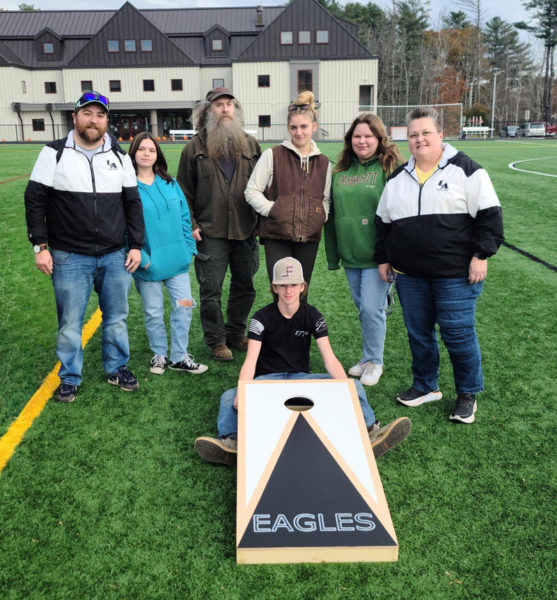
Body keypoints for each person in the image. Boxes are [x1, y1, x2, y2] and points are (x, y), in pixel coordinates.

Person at [194, 257, 411, 465]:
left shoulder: (313, 316)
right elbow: (249, 362)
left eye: (293, 284)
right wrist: (242, 391)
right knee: (228, 397)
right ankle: (232, 444)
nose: (288, 291)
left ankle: (371, 433)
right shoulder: (260, 318)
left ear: (302, 287)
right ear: (274, 288)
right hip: (267, 381)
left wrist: (343, 386)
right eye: (283, 285)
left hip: (302, 380)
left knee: (353, 386)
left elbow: (330, 359)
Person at [375, 106, 504, 424]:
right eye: (414, 134)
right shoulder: (397, 179)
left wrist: (481, 255)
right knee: (418, 334)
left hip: (456, 274)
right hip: (410, 276)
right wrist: (384, 258)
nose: (420, 139)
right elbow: (383, 224)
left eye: (426, 133)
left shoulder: (467, 170)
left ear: (440, 135)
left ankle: (467, 394)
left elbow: (490, 216)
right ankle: (425, 386)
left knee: (458, 333)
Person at [24, 91, 145, 403]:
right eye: (88, 114)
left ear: (106, 121)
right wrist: (40, 245)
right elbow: (35, 200)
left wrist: (136, 246)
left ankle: (118, 368)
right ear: (75, 117)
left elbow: (132, 204)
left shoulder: (119, 156)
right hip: (68, 256)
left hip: (115, 254)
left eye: (100, 115)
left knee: (117, 317)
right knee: (70, 323)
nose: (94, 120)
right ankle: (70, 377)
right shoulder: (54, 153)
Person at [177, 87, 261, 363]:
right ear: (208, 111)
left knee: (245, 285)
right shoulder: (193, 148)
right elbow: (183, 192)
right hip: (210, 231)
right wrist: (191, 224)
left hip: (245, 228)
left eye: (229, 104)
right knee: (210, 289)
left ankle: (236, 333)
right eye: (218, 105)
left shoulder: (251, 145)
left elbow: (264, 187)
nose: (225, 109)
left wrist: (262, 222)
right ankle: (216, 341)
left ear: (236, 110)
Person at [324, 113, 403, 387]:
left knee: (371, 309)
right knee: (364, 308)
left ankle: (375, 361)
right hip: (351, 254)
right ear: (350, 140)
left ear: (379, 138)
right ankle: (368, 357)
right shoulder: (340, 170)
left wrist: (390, 256)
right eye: (357, 136)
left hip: (378, 257)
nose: (362, 141)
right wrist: (334, 256)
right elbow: (333, 215)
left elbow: (398, 213)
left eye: (368, 136)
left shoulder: (390, 168)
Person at [128, 132, 207, 376]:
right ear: (133, 153)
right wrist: (144, 256)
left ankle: (179, 357)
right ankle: (160, 354)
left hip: (177, 262)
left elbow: (185, 216)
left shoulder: (170, 183)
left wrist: (188, 248)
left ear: (157, 154)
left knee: (184, 306)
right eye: (141, 149)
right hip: (148, 264)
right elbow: (122, 226)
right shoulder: (127, 187)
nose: (146, 153)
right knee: (153, 312)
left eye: (151, 150)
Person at [245, 91, 331, 286]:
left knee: (301, 291)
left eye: (304, 127)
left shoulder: (324, 163)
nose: (299, 132)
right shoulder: (272, 155)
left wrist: (319, 217)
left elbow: (325, 198)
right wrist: (273, 210)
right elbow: (251, 191)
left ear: (314, 127)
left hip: (309, 238)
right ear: (287, 128)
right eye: (293, 127)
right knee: (281, 291)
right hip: (277, 235)